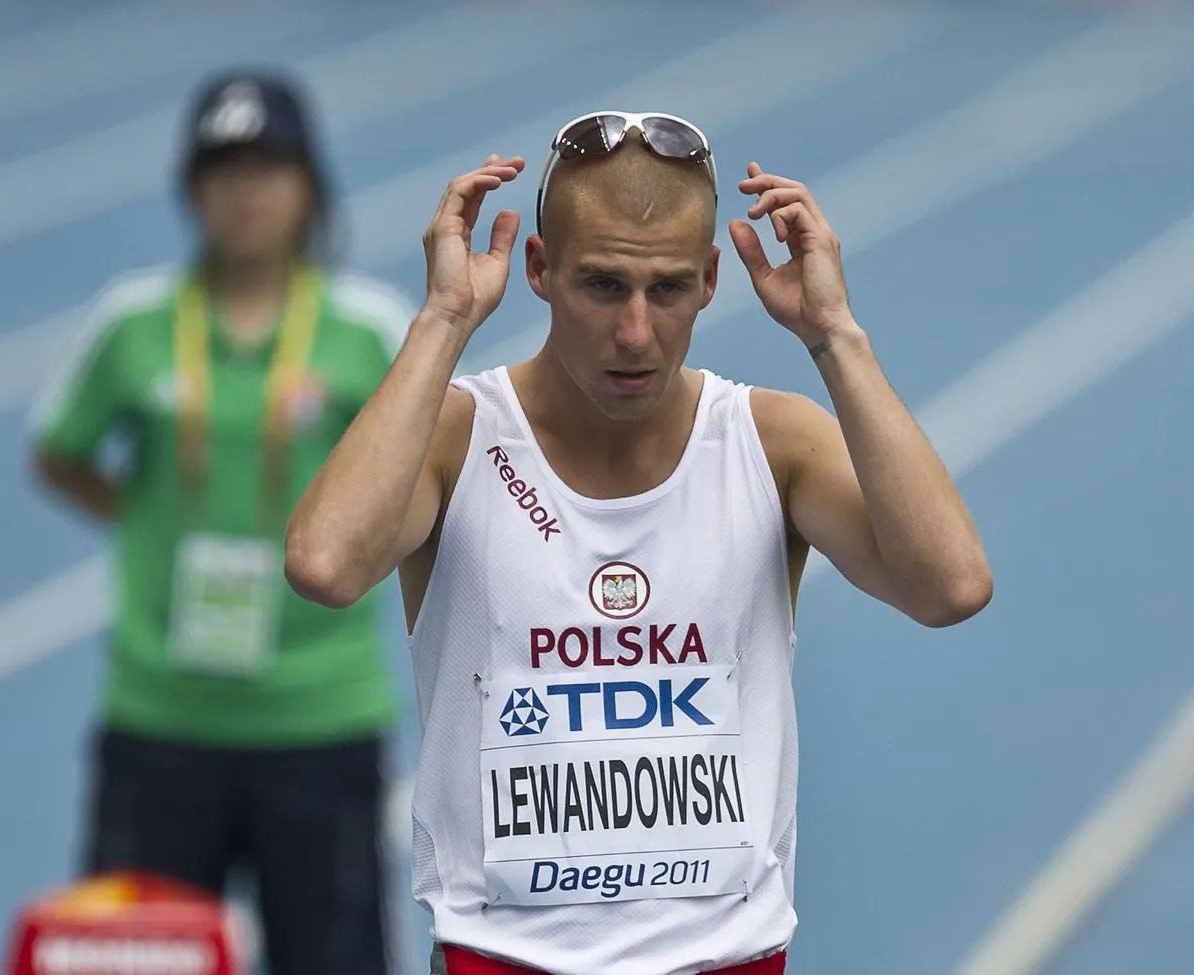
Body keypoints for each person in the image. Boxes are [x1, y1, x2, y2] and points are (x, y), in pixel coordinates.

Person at [285, 110, 994, 975]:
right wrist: (442, 320)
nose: (635, 332)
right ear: (539, 269)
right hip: (506, 959)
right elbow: (324, 566)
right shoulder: (459, 439)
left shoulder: (771, 445)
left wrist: (834, 337)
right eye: (603, 286)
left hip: (724, 960)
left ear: (708, 281)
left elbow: (950, 586)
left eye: (665, 290)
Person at [28, 68, 415, 975]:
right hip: (160, 718)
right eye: (224, 171)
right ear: (191, 188)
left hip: (319, 720)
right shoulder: (133, 324)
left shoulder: (367, 330)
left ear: (309, 186)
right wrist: (147, 521)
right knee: (130, 963)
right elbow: (59, 451)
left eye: (269, 169)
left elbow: (428, 481)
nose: (246, 193)